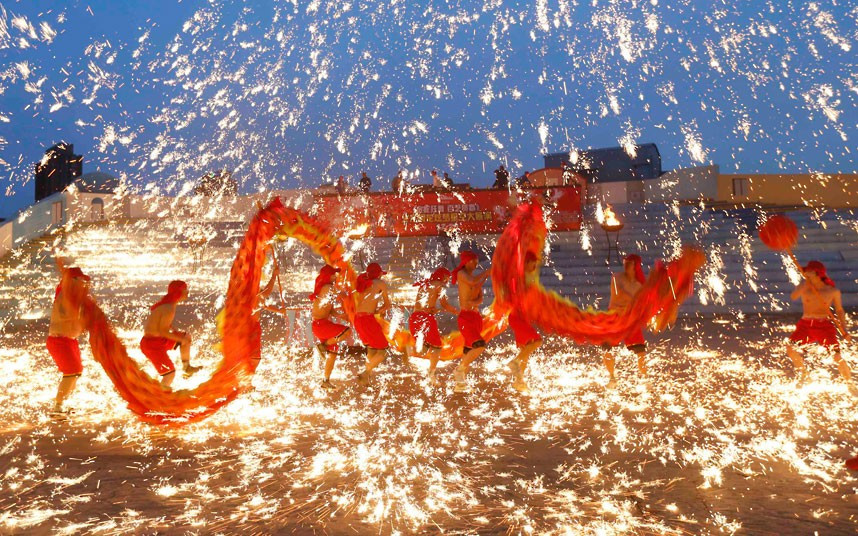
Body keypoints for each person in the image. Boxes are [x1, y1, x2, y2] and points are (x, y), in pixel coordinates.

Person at [785, 260, 852, 382]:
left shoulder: (832, 291)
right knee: (790, 348)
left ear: (816, 273)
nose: (805, 273)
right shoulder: (804, 286)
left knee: (836, 356)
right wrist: (804, 285)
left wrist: (844, 329)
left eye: (808, 271)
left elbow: (840, 310)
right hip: (805, 325)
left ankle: (849, 382)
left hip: (823, 326)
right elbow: (793, 297)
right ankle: (804, 373)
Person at [47, 259, 91, 415]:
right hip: (59, 341)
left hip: (69, 340)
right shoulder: (67, 295)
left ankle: (64, 404)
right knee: (71, 372)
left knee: (76, 372)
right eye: (81, 280)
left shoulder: (68, 292)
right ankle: (57, 407)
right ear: (73, 281)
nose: (84, 284)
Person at [140, 281, 201, 387]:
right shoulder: (168, 308)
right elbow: (163, 331)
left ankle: (187, 368)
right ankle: (160, 397)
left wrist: (180, 336)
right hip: (152, 345)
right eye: (185, 289)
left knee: (186, 337)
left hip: (159, 340)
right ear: (178, 292)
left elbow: (162, 327)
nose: (187, 292)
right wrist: (181, 340)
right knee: (170, 374)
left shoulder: (168, 305)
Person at [602, 254, 648, 388]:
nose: (627, 266)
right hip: (614, 318)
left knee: (641, 351)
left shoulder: (638, 285)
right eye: (626, 263)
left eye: (630, 264)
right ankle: (611, 378)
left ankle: (645, 378)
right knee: (608, 349)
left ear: (635, 267)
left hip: (630, 319)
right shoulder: (617, 277)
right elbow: (618, 293)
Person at [408, 268, 458, 384]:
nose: (448, 281)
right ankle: (431, 373)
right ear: (444, 276)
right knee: (436, 347)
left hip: (415, 318)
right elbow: (445, 304)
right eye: (448, 278)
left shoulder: (425, 284)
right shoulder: (439, 285)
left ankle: (411, 348)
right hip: (426, 318)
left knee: (426, 346)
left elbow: (421, 305)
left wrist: (436, 310)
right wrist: (459, 312)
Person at [451, 251, 491, 392]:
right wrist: (486, 273)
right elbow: (473, 282)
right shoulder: (462, 274)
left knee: (468, 351)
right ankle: (459, 369)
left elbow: (480, 299)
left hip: (475, 317)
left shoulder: (471, 277)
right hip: (466, 317)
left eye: (476, 261)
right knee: (479, 345)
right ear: (466, 261)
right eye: (473, 261)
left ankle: (460, 385)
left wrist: (474, 301)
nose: (476, 264)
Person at [505, 251, 542, 392]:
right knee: (537, 341)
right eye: (533, 263)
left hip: (523, 317)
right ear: (526, 263)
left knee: (526, 350)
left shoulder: (526, 277)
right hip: (517, 317)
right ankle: (514, 362)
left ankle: (519, 381)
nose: (535, 265)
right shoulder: (517, 278)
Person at [353, 263, 392, 383]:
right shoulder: (380, 283)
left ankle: (366, 379)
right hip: (368, 319)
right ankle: (364, 373)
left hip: (358, 319)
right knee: (383, 350)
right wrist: (379, 311)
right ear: (378, 273)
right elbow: (387, 305)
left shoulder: (362, 283)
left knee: (371, 349)